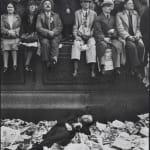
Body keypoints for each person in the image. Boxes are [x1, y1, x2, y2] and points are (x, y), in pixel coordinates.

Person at [30, 114, 94, 150]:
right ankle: (39, 146)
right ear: (84, 114)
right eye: (87, 116)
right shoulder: (73, 116)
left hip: (65, 135)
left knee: (63, 135)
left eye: (88, 120)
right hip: (59, 129)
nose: (86, 118)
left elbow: (88, 132)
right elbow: (60, 121)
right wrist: (66, 124)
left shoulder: (83, 126)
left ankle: (39, 147)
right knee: (56, 136)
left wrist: (81, 126)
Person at [116, 0, 145, 78]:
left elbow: (139, 27)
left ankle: (133, 67)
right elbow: (120, 28)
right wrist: (128, 36)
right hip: (125, 37)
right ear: (125, 5)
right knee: (132, 46)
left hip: (135, 36)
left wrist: (137, 35)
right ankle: (136, 68)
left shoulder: (136, 14)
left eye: (132, 3)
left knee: (141, 46)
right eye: (129, 3)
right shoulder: (119, 15)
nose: (132, 5)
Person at [94, 0, 123, 75]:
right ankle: (103, 66)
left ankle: (117, 67)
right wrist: (104, 38)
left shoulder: (113, 18)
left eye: (110, 6)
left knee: (117, 45)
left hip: (112, 38)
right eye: (107, 7)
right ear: (103, 8)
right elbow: (97, 31)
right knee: (103, 45)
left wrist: (114, 33)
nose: (109, 8)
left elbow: (116, 29)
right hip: (102, 38)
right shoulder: (98, 18)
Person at [71, 0, 97, 78]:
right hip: (80, 34)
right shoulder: (77, 13)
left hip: (90, 35)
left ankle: (92, 70)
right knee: (76, 44)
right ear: (81, 3)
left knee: (92, 44)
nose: (86, 4)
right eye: (84, 2)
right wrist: (76, 36)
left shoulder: (94, 13)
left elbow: (95, 27)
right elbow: (75, 26)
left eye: (88, 2)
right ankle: (75, 69)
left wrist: (90, 35)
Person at [36, 0, 63, 69]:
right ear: (43, 6)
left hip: (55, 35)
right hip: (45, 36)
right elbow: (38, 27)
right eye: (46, 4)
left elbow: (60, 27)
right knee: (45, 43)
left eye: (49, 4)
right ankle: (46, 61)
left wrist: (53, 32)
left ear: (51, 6)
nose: (48, 5)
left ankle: (54, 58)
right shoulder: (40, 16)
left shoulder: (56, 15)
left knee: (54, 41)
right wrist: (48, 32)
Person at [1, 2, 21, 72]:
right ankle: (5, 65)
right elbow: (1, 28)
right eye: (8, 7)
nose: (10, 8)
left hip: (15, 37)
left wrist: (15, 32)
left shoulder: (17, 17)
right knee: (5, 47)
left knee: (14, 46)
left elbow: (19, 27)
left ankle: (15, 64)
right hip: (5, 37)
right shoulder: (3, 17)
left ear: (14, 8)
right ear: (6, 8)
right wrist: (8, 32)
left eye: (11, 7)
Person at [20, 0, 38, 72]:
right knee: (26, 45)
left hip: (35, 35)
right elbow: (22, 27)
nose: (32, 7)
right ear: (28, 7)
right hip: (26, 35)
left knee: (31, 45)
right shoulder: (24, 16)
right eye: (31, 5)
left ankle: (26, 64)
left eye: (33, 5)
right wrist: (24, 34)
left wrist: (34, 33)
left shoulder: (38, 16)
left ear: (36, 7)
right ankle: (27, 65)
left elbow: (38, 27)